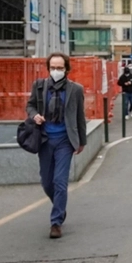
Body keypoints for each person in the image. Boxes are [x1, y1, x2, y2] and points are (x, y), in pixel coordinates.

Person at [25, 53, 87, 239]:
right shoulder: (39, 86)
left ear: (66, 69)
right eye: (53, 67)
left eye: (60, 68)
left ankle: (56, 222)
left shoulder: (76, 89)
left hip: (65, 141)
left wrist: (82, 141)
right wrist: (34, 115)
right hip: (44, 139)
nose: (56, 71)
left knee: (60, 181)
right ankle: (59, 206)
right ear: (48, 67)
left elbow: (79, 116)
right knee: (47, 182)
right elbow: (30, 106)